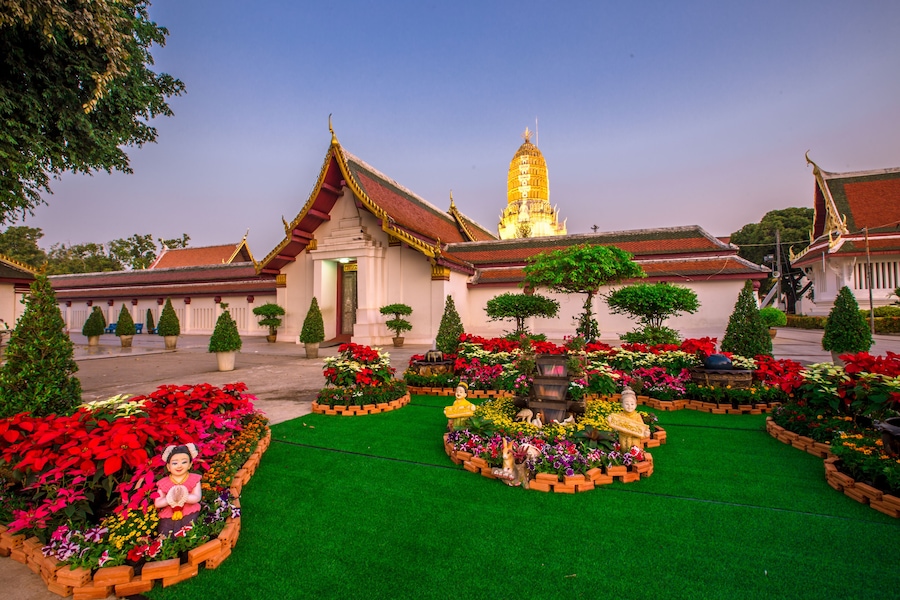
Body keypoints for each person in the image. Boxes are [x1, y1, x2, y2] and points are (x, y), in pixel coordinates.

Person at [154, 443, 203, 537]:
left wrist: (183, 497)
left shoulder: (194, 479)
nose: (179, 466)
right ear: (168, 467)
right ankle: (168, 546)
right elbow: (158, 503)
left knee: (189, 527)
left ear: (190, 465)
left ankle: (188, 544)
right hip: (169, 513)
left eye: (184, 462)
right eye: (175, 463)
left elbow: (197, 497)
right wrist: (170, 498)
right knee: (165, 531)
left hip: (189, 510)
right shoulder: (163, 483)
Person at [615, 387, 650, 451]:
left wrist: (646, 433)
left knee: (634, 453)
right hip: (623, 438)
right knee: (624, 452)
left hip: (634, 439)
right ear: (622, 405)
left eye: (632, 404)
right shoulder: (620, 415)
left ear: (636, 405)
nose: (629, 406)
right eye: (627, 404)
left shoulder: (637, 416)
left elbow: (642, 428)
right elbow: (615, 425)